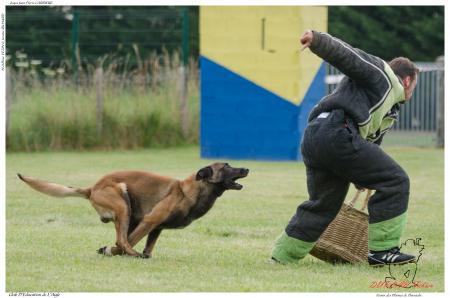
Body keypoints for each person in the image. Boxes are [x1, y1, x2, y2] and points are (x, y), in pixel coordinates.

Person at [271, 30, 419, 266]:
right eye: (414, 88)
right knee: (396, 180)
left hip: (315, 136)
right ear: (409, 80)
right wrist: (318, 41)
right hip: (337, 132)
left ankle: (283, 256)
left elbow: (371, 141)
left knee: (323, 204)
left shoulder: (388, 107)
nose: (411, 94)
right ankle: (382, 252)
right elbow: (351, 57)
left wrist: (363, 175)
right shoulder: (382, 75)